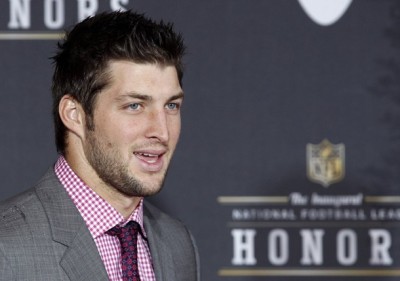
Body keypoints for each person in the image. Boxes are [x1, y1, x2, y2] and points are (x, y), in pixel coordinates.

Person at [0, 10, 200, 281]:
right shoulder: (7, 249)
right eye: (134, 106)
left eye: (171, 105)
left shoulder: (178, 244)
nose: (161, 131)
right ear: (75, 114)